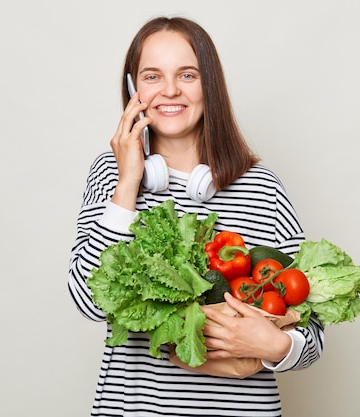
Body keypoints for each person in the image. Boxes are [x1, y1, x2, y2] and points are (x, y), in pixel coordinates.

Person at [68, 16, 324, 417]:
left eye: (188, 74)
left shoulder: (262, 187)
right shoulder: (112, 173)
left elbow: (313, 330)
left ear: (210, 86)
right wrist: (128, 182)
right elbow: (89, 300)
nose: (170, 90)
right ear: (135, 90)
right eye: (153, 76)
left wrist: (273, 345)